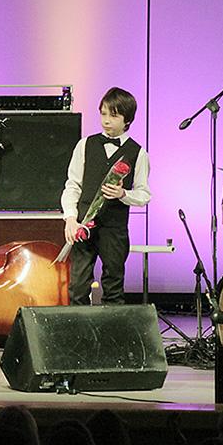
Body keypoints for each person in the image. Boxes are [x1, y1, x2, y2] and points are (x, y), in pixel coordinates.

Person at [61, 87, 151, 305]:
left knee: (113, 286)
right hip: (84, 225)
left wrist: (123, 193)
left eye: (114, 115)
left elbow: (144, 194)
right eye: (103, 114)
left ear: (127, 119)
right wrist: (70, 218)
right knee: (78, 286)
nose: (106, 120)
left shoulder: (138, 153)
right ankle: (79, 326)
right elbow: (73, 185)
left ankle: (112, 326)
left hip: (114, 228)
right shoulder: (85, 145)